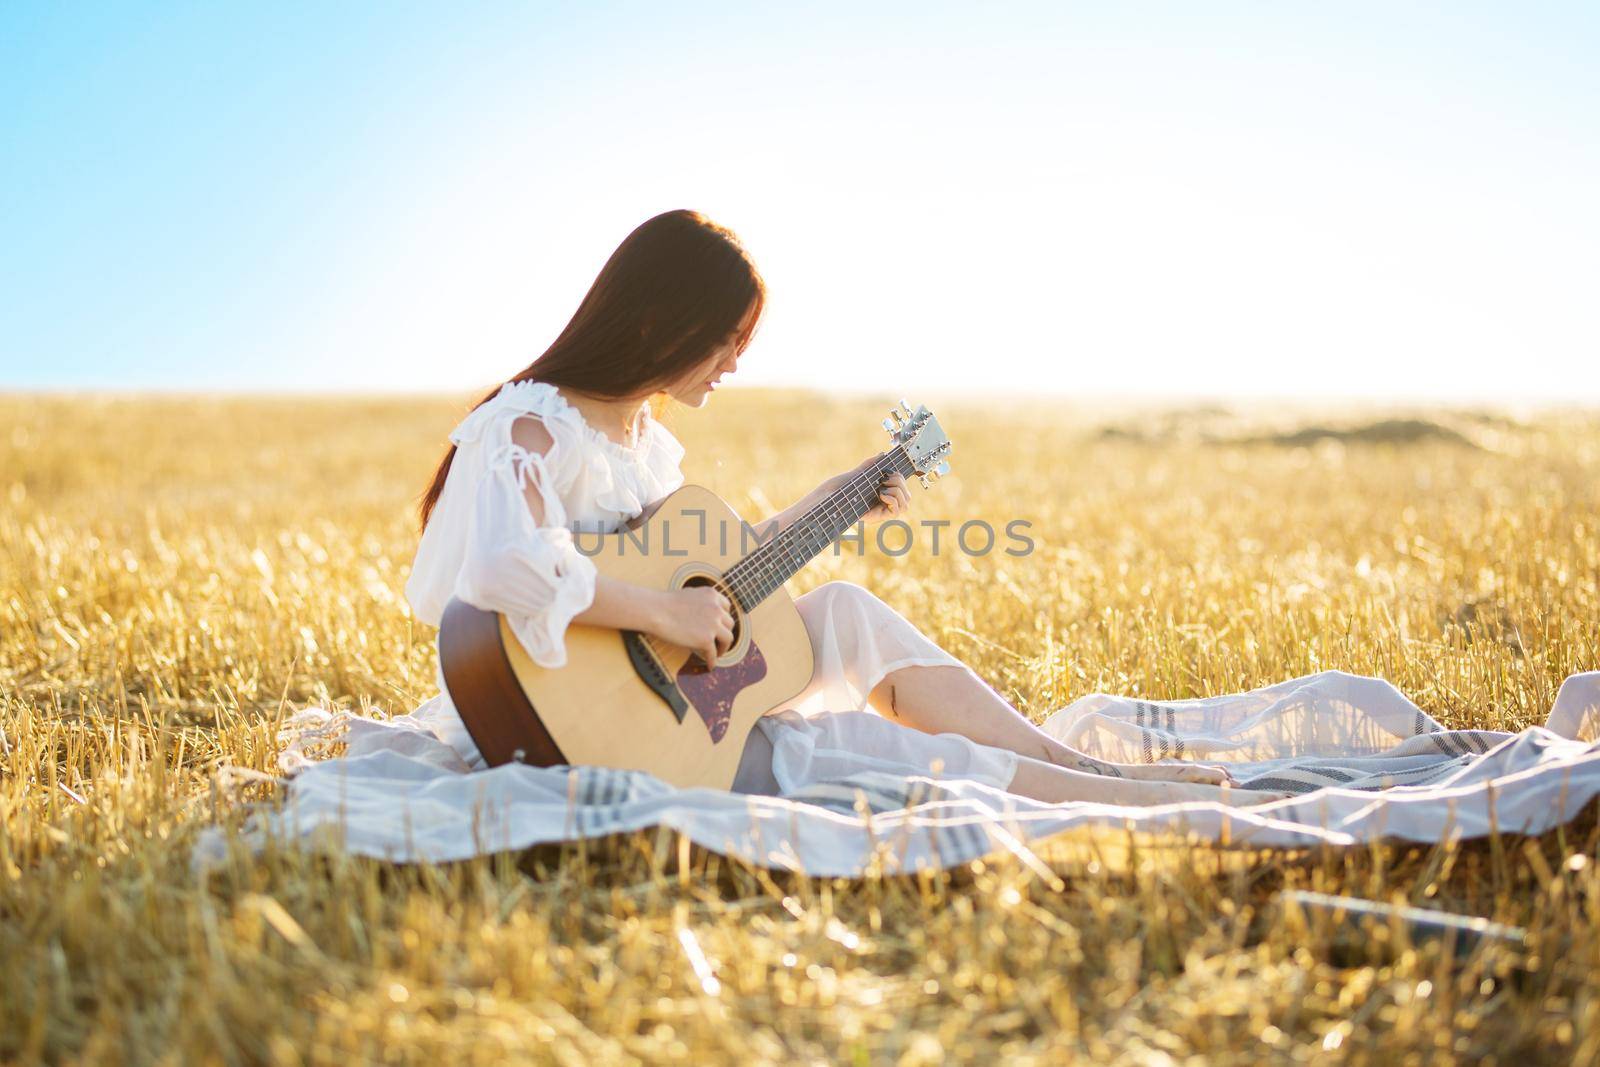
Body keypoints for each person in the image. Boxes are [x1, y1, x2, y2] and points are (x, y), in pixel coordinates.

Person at [404, 209, 1280, 807]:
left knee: (847, 612)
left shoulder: (639, 439)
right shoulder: (530, 427)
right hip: (570, 725)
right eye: (726, 340)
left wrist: (849, 494)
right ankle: (1113, 797)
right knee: (866, 750)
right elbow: (503, 568)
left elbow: (730, 570)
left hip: (667, 692)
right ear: (657, 323)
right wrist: (669, 609)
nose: (734, 364)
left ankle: (1077, 765)